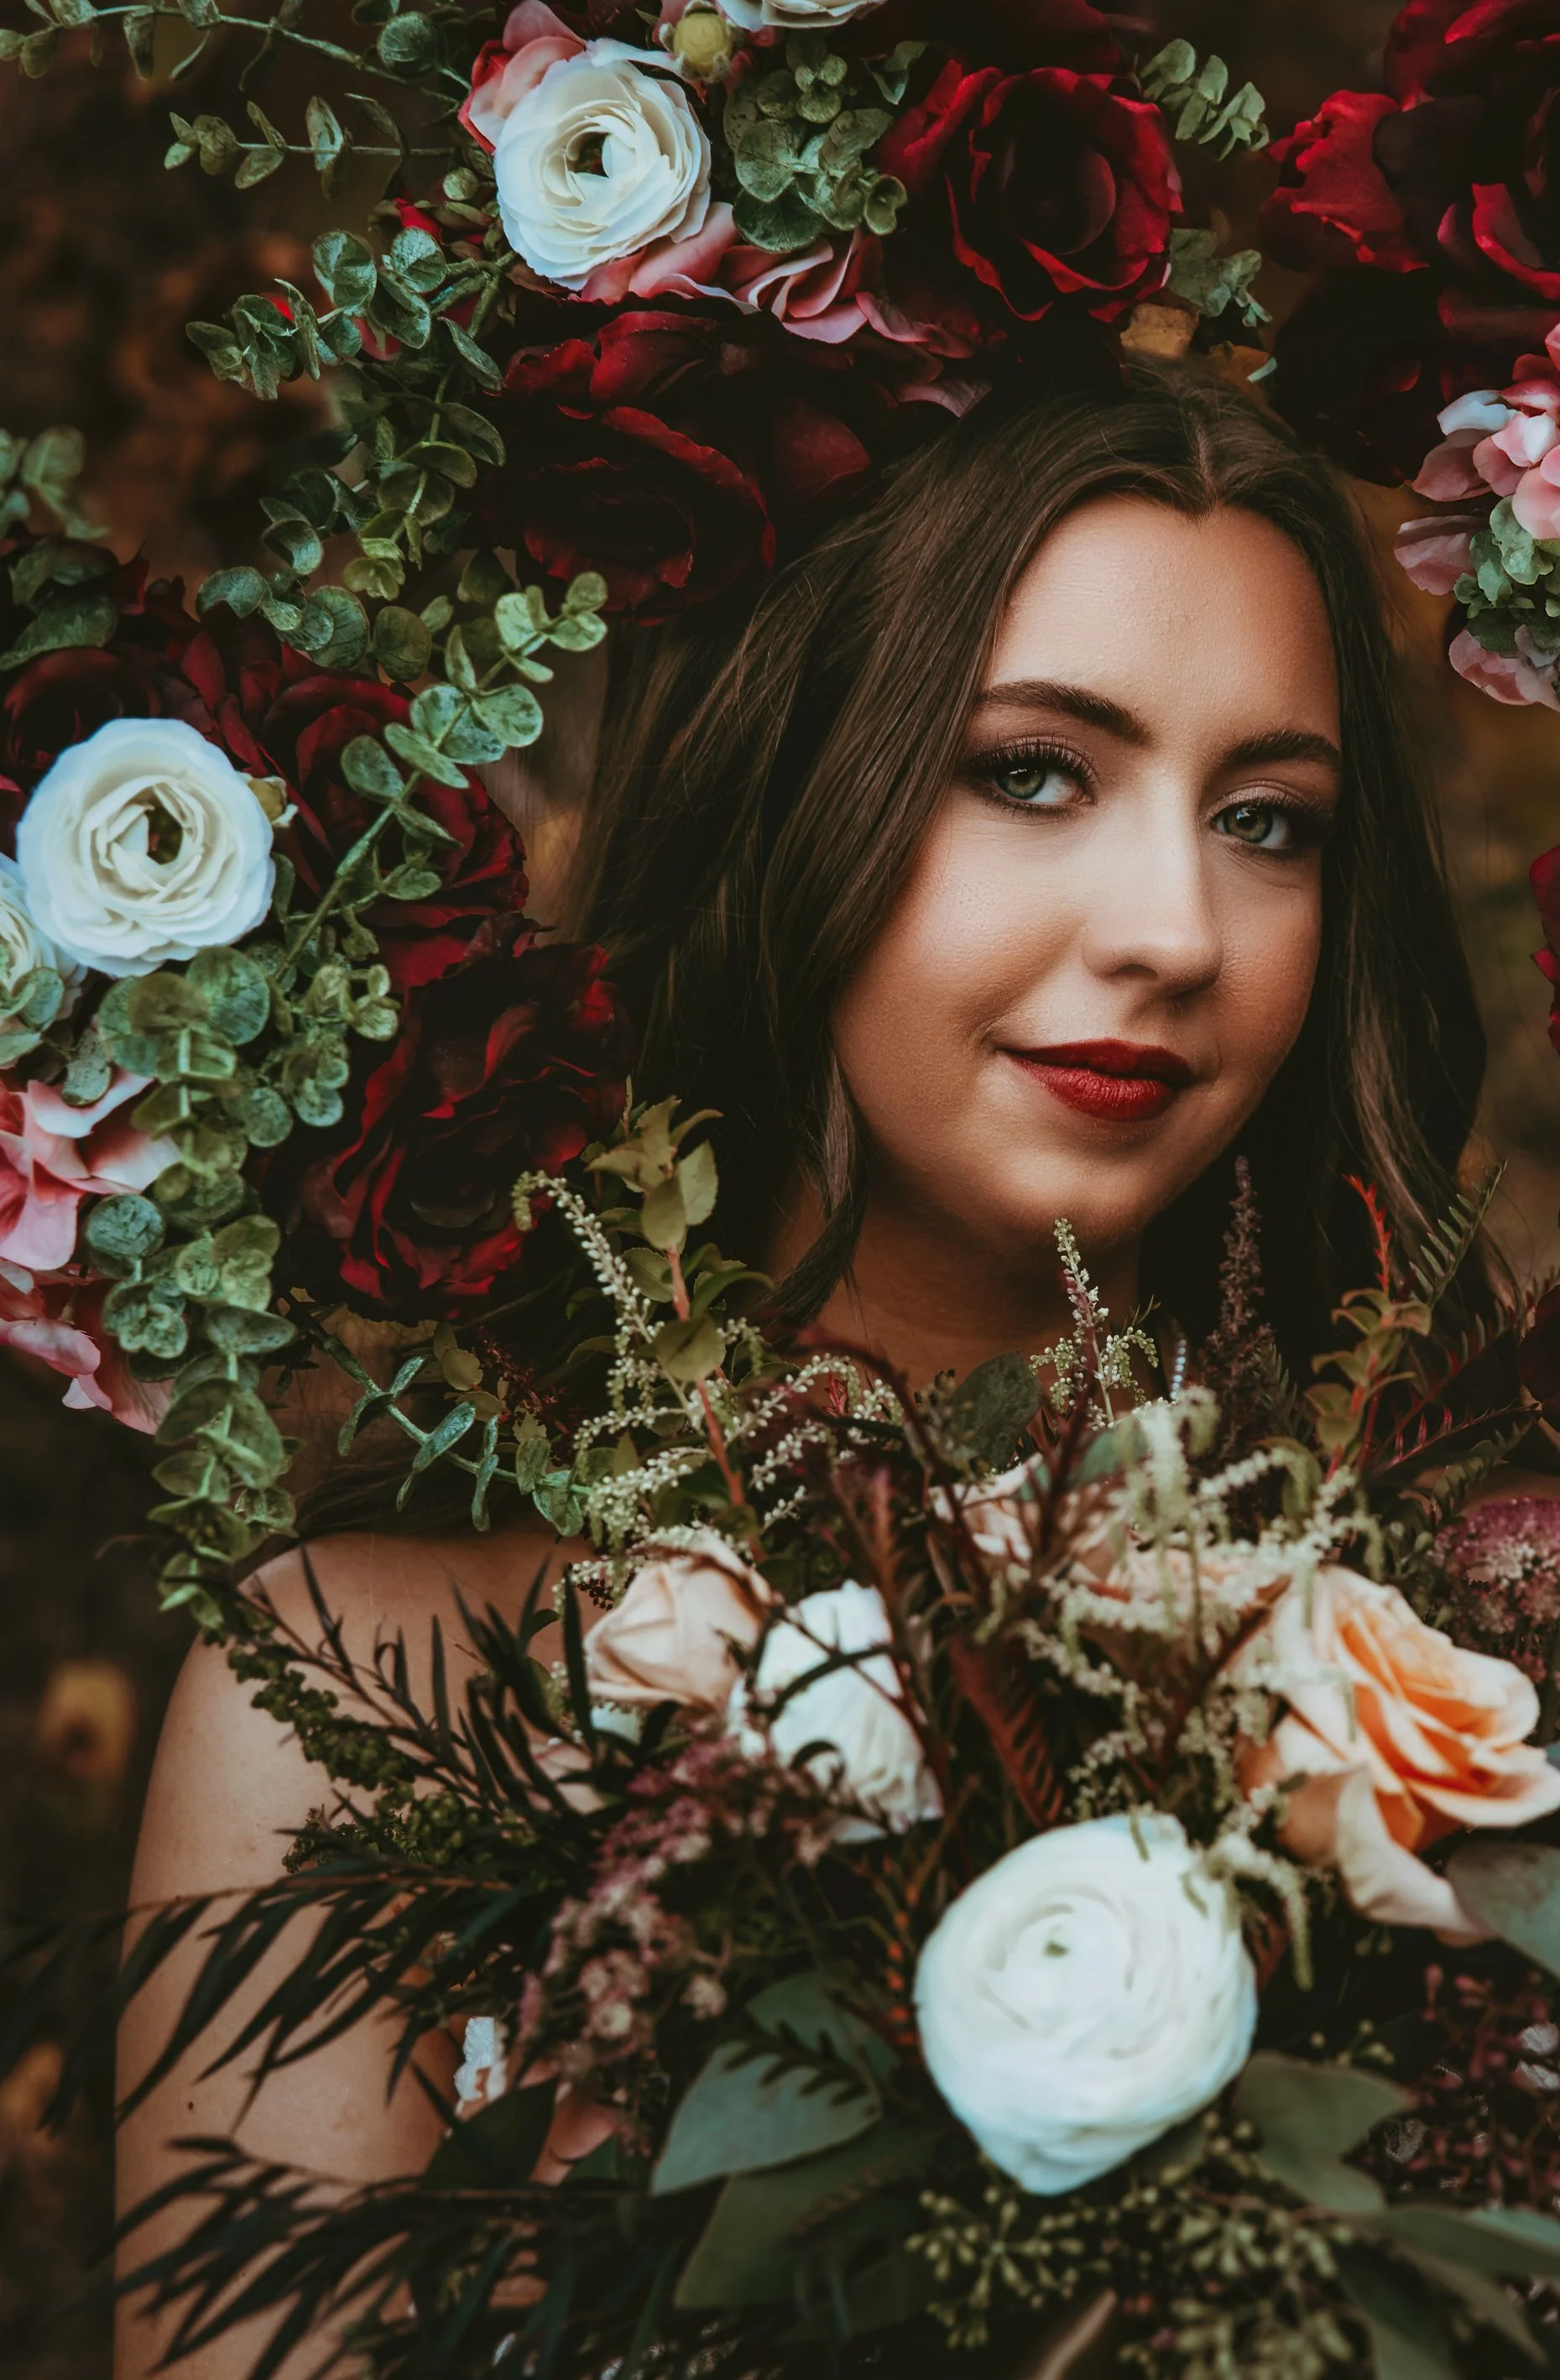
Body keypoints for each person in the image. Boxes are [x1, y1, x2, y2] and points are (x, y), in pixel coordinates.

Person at [116, 363, 1486, 2376]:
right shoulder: (350, 1679)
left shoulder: (1449, 1672)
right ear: (798, 786)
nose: (1176, 925)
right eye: (1031, 770)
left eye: (1266, 819)